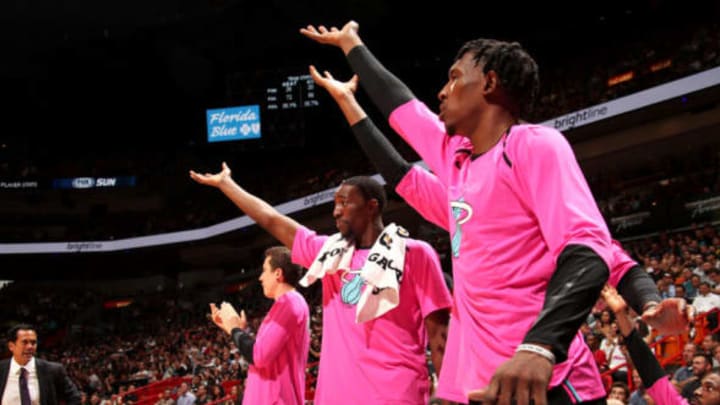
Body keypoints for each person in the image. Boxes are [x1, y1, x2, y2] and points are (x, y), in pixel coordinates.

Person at [302, 32, 692, 402]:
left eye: (455, 78)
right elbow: (400, 136)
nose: (442, 91)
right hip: (483, 385)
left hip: (546, 377)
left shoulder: (533, 146)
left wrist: (544, 344)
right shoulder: (455, 170)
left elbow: (594, 250)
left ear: (489, 83)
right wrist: (351, 54)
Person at [190, 166, 452, 404]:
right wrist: (227, 185)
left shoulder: (415, 253)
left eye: (345, 203)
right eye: (335, 204)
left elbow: (440, 332)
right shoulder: (329, 253)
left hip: (396, 395)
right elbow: (271, 219)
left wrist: (449, 396)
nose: (336, 211)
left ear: (371, 206)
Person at [210, 246, 310, 405]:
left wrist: (235, 330)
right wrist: (233, 329)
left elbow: (259, 356)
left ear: (278, 273)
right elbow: (264, 352)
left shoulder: (289, 303)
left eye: (264, 271)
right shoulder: (286, 304)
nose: (260, 278)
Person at [0, 324, 81, 405]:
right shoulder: (2, 369)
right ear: (11, 346)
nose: (30, 347)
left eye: (33, 342)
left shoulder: (53, 370)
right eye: (25, 342)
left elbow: (75, 397)